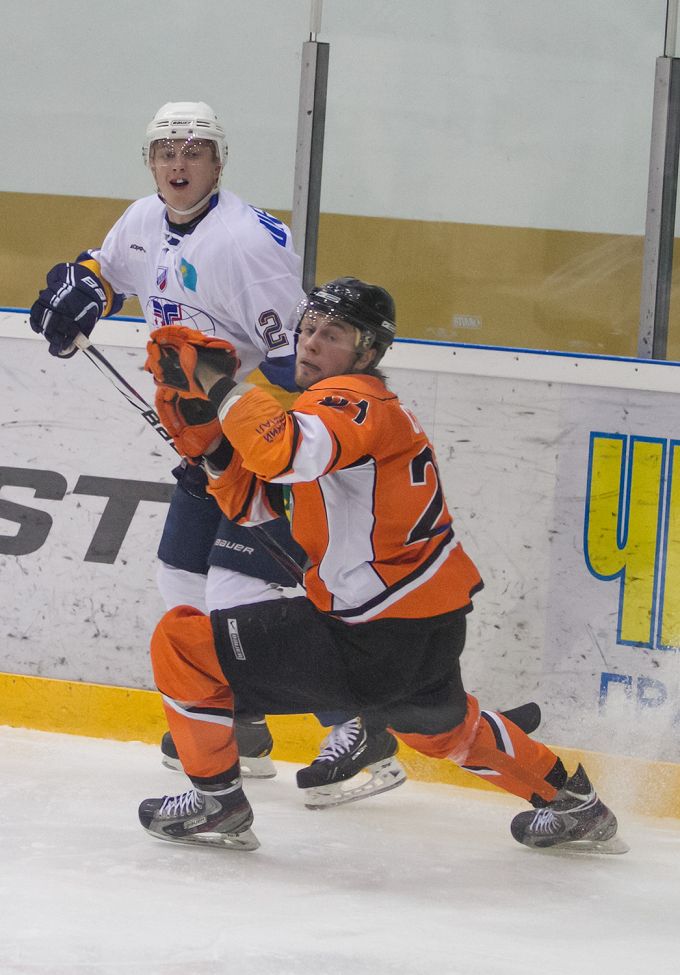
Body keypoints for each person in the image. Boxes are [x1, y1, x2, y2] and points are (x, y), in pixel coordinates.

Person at [136, 277, 626, 854]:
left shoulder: (350, 401)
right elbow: (258, 505)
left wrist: (217, 383)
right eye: (308, 329)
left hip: (371, 634)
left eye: (333, 334)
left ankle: (217, 803)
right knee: (445, 729)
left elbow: (281, 451)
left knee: (183, 644)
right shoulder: (346, 415)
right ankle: (573, 803)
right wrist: (213, 448)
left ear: (367, 353)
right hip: (427, 625)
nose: (311, 342)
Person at [28, 100, 405, 797]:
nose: (179, 164)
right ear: (150, 163)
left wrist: (244, 420)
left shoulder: (245, 243)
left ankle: (361, 728)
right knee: (180, 572)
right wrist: (86, 289)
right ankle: (243, 721)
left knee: (246, 595)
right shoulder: (143, 220)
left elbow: (305, 360)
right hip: (206, 442)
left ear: (218, 162)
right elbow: (107, 269)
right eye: (165, 152)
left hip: (266, 445)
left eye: (194, 151)